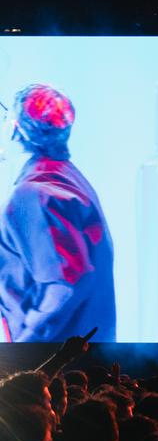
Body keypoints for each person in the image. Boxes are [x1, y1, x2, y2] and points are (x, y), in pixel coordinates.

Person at [0, 84, 115, 343]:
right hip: (83, 358)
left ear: (15, 130)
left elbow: (64, 288)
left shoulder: (33, 194)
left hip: (50, 363)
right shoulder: (66, 177)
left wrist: (24, 351)